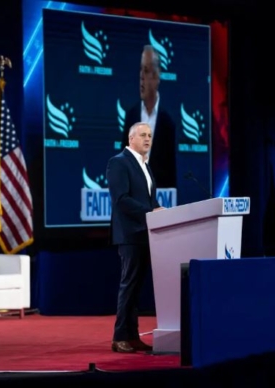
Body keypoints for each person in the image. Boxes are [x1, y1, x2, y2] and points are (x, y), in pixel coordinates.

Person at [107, 121, 165, 353]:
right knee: (128, 285)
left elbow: (150, 202)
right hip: (130, 234)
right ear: (131, 139)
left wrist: (162, 211)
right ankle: (119, 336)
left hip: (146, 233)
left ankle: (132, 337)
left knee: (136, 287)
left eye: (150, 135)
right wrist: (150, 211)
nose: (148, 139)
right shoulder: (119, 163)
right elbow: (121, 199)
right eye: (143, 135)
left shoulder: (145, 166)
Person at [121, 44, 176, 189]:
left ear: (157, 77)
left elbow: (171, 176)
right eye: (140, 70)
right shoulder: (131, 117)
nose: (141, 77)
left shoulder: (167, 123)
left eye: (146, 71)